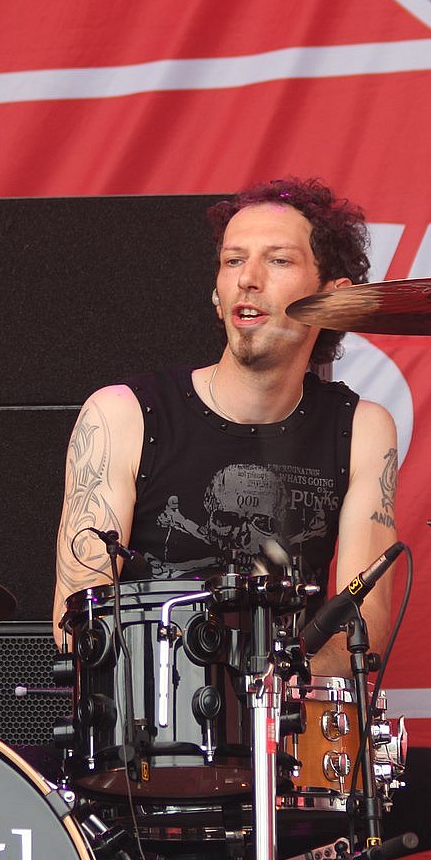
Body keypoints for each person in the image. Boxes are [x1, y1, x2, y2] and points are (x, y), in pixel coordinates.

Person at [52, 176, 396, 677]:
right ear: (216, 292)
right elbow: (77, 624)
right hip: (151, 713)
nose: (247, 279)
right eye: (233, 260)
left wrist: (260, 699)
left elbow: (361, 630)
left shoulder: (361, 428)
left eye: (278, 261)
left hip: (286, 716)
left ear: (332, 298)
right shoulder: (121, 415)